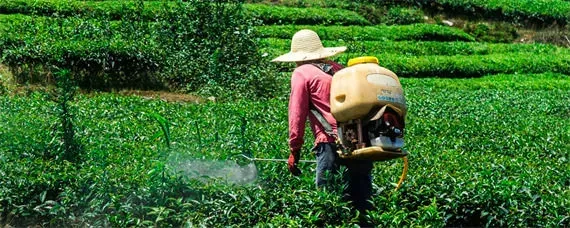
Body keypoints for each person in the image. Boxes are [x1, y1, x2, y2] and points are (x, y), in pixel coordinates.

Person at [271, 29, 374, 216]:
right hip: (360, 139)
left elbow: (297, 114)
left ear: (298, 55)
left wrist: (295, 150)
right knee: (362, 201)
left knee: (327, 201)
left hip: (330, 142)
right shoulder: (339, 69)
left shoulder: (302, 72)